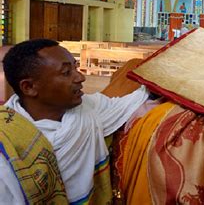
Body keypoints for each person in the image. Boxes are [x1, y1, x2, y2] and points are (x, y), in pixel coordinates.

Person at [2, 39, 151, 203]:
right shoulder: (7, 147)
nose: (80, 77)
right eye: (66, 73)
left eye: (76, 67)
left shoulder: (88, 108)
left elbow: (128, 104)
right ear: (29, 87)